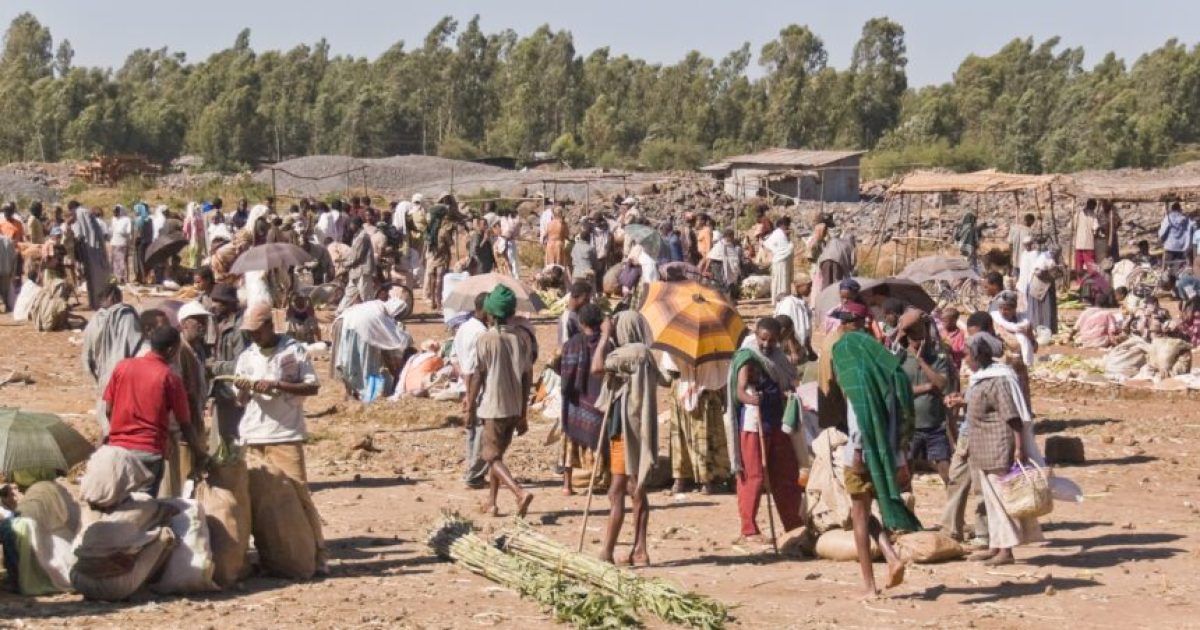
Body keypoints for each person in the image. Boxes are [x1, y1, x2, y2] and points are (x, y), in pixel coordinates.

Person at [232, 300, 327, 574]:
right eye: (249, 332)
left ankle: (318, 553)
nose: (254, 336)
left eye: (257, 331)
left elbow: (312, 388)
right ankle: (270, 553)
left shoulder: (293, 351)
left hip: (284, 433)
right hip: (253, 434)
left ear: (269, 326)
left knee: (298, 494)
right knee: (260, 500)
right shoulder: (247, 356)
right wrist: (243, 389)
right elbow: (241, 399)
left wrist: (277, 385)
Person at [829, 305, 917, 596]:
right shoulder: (880, 359)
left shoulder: (853, 360)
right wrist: (902, 457)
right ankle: (891, 557)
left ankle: (869, 585)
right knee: (868, 513)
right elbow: (898, 409)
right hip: (887, 454)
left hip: (862, 454)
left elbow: (859, 412)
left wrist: (856, 453)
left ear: (849, 324)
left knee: (858, 516)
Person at [946, 332, 1044, 566]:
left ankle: (1006, 550)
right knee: (990, 500)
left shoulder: (998, 379)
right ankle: (996, 545)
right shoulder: (982, 378)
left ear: (978, 355)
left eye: (967, 355)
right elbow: (983, 404)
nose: (965, 359)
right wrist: (963, 401)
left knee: (1000, 500)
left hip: (998, 446)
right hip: (983, 447)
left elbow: (1012, 416)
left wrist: (1019, 448)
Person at [592, 310, 665, 566]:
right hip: (642, 427)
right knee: (637, 488)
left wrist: (604, 337)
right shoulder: (646, 354)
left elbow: (597, 367)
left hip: (625, 427)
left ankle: (607, 552)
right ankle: (640, 550)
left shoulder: (626, 353)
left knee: (616, 491)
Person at [103, 325, 208, 497]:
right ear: (171, 349)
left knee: (119, 504)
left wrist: (118, 432)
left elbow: (108, 409)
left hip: (118, 451)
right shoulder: (170, 378)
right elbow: (185, 424)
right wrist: (200, 454)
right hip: (148, 452)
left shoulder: (122, 367)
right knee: (144, 509)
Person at [726, 318, 803, 544]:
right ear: (756, 335)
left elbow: (789, 380)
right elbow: (740, 391)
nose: (766, 344)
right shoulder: (748, 357)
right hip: (754, 423)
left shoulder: (779, 357)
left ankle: (793, 524)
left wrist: (789, 392)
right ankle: (748, 529)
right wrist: (752, 399)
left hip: (777, 420)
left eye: (772, 340)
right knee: (754, 476)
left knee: (785, 474)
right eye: (763, 339)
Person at [71, 446, 179, 601]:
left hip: (78, 579)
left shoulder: (87, 510)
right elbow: (172, 510)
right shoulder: (142, 506)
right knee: (165, 534)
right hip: (115, 588)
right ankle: (143, 587)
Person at [469, 286, 535, 517]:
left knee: (490, 456)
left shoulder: (486, 339)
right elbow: (528, 376)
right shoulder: (522, 339)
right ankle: (492, 502)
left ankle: (519, 492)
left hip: (494, 406)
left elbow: (478, 375)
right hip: (515, 406)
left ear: (491, 314)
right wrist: (524, 411)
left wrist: (469, 406)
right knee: (497, 456)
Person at [895, 311, 956, 485]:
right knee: (906, 470)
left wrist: (921, 361)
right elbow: (900, 391)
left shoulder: (937, 358)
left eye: (921, 337)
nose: (919, 342)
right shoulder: (900, 360)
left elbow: (942, 384)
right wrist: (927, 387)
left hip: (934, 425)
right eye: (914, 338)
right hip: (910, 427)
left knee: (945, 469)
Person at [0, 467, 80, 595]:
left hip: (40, 543)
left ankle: (15, 580)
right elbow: (63, 515)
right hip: (60, 542)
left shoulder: (38, 490)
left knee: (7, 529)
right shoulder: (52, 487)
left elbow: (26, 515)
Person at [81, 285, 145, 439]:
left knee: (108, 424)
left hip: (104, 380)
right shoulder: (127, 316)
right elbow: (137, 347)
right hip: (126, 378)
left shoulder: (94, 321)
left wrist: (99, 377)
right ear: (115, 297)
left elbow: (86, 359)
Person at [559, 304, 609, 496]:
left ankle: (567, 485)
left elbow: (563, 370)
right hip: (595, 400)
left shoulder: (571, 344)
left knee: (569, 441)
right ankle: (598, 479)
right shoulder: (606, 345)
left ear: (580, 322)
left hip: (573, 401)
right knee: (597, 440)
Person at [332, 292, 413, 400]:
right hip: (355, 328)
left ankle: (351, 392)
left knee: (348, 362)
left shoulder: (376, 305)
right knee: (366, 363)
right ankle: (367, 394)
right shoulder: (381, 314)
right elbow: (394, 341)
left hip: (343, 324)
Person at [455, 293, 491, 488]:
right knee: (480, 433)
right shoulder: (481, 334)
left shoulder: (464, 327)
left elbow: (454, 357)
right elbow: (474, 370)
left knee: (472, 431)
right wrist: (471, 396)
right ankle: (474, 474)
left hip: (467, 385)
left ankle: (472, 469)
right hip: (476, 388)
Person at [208, 283, 247, 443]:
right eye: (213, 300)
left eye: (219, 302)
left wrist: (213, 367)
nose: (214, 305)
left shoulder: (239, 329)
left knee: (232, 437)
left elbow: (242, 365)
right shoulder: (221, 323)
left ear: (231, 303)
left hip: (234, 390)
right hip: (222, 388)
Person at [71, 201, 112, 310]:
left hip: (92, 253)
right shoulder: (88, 217)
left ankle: (97, 302)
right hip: (93, 252)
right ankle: (95, 301)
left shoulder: (82, 215)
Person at [337, 217, 377, 314]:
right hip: (355, 271)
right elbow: (353, 254)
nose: (350, 226)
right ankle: (339, 312)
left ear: (356, 225)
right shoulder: (357, 236)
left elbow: (357, 257)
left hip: (363, 271)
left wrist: (345, 264)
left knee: (366, 296)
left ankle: (371, 315)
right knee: (349, 293)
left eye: (351, 224)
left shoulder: (362, 237)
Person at [774, 276, 815, 360]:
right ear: (799, 286)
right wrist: (793, 352)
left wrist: (810, 350)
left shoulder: (802, 303)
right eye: (808, 287)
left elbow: (805, 329)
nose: (810, 290)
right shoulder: (789, 303)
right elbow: (786, 329)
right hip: (789, 351)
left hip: (799, 348)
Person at [763, 217, 795, 305]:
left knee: (781, 281)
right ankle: (781, 300)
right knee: (781, 282)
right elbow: (785, 249)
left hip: (781, 261)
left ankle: (780, 300)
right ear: (783, 225)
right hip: (781, 261)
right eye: (787, 225)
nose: (787, 227)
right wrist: (791, 246)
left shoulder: (779, 234)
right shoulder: (779, 234)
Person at [1074, 199, 1100, 282]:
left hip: (1078, 243)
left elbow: (1072, 226)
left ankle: (1079, 281)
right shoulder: (1093, 215)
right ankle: (1090, 281)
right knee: (1090, 264)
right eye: (1094, 206)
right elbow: (1096, 228)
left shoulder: (1077, 214)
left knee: (1079, 264)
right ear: (1092, 206)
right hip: (1089, 244)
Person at [1159, 201, 1192, 268]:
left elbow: (1162, 232)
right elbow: (1189, 233)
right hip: (1182, 248)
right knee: (1180, 268)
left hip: (1169, 248)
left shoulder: (1168, 219)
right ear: (1180, 209)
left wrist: (1162, 240)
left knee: (1167, 270)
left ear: (1172, 209)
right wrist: (1187, 245)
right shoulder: (1186, 220)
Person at [109, 205, 132, 284]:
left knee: (121, 261)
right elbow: (111, 230)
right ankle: (117, 278)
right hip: (114, 242)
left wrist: (122, 233)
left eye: (117, 211)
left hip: (122, 242)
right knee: (114, 261)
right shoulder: (113, 219)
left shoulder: (126, 219)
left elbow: (128, 231)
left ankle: (124, 278)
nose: (115, 213)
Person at [0, 229, 14, 312]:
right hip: (6, 269)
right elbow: (13, 256)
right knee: (5, 291)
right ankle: (7, 306)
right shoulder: (8, 240)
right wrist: (12, 270)